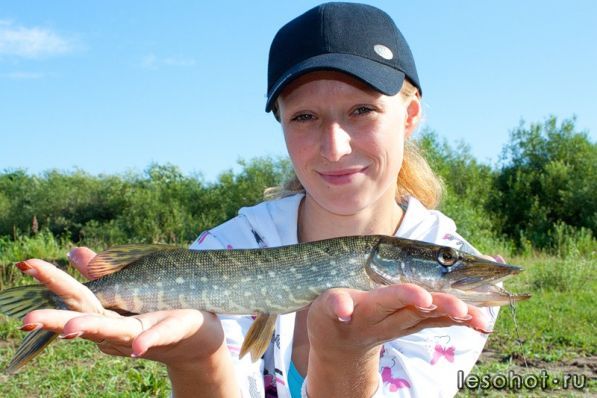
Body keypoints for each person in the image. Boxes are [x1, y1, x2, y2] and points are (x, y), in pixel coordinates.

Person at [16, 3, 499, 397]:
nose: (334, 146)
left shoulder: (452, 291)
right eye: (305, 117)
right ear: (282, 124)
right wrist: (197, 355)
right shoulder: (228, 244)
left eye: (362, 110)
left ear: (410, 115)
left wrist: (348, 356)